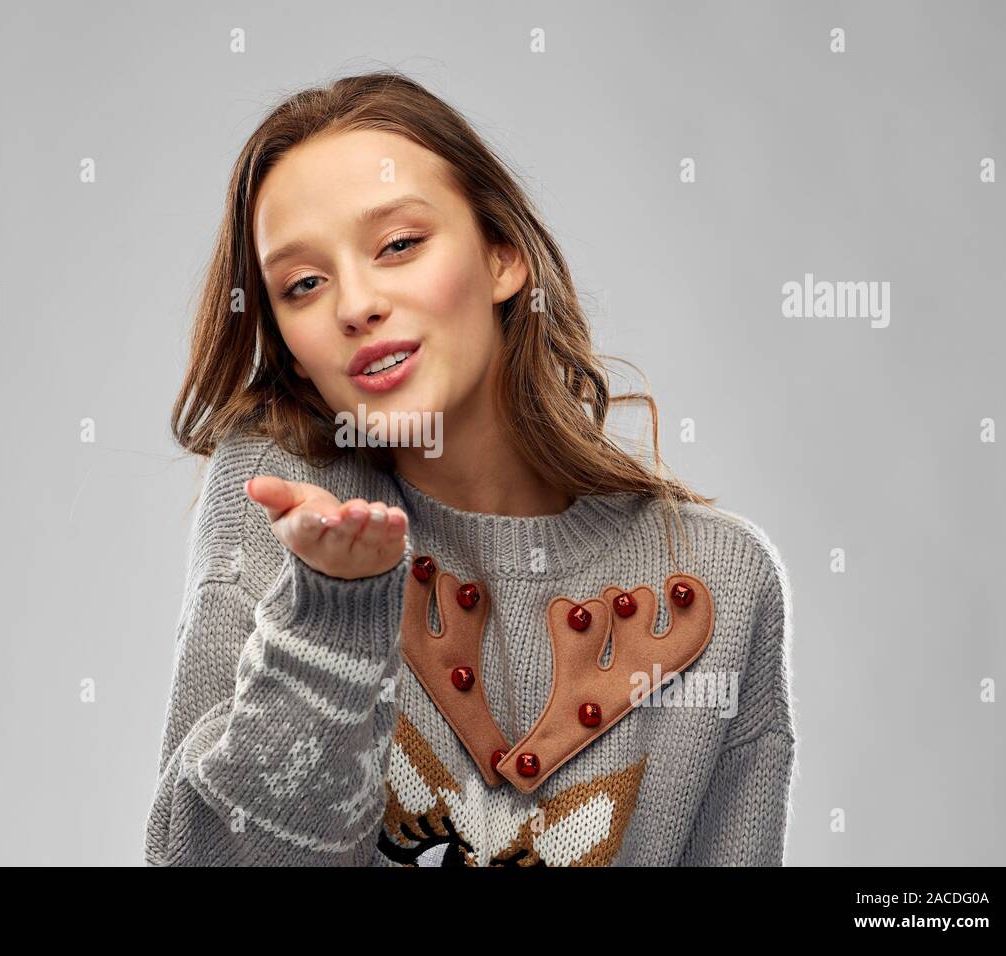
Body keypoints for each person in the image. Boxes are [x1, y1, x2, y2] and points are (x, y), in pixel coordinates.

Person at [144, 70, 797, 867]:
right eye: (304, 284)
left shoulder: (720, 579)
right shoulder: (278, 504)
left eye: (398, 245)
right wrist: (333, 618)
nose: (355, 304)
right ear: (291, 347)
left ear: (503, 257)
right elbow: (200, 858)